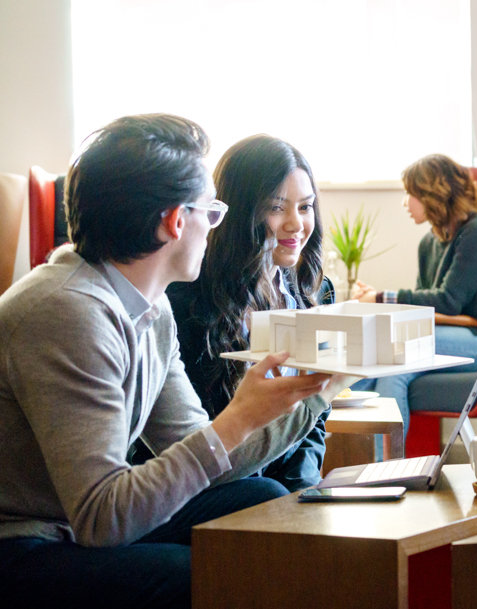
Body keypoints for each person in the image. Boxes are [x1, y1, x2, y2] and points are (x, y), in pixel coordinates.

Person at [0, 114, 351, 609]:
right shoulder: (67, 311)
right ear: (174, 219)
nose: (216, 225)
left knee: (263, 501)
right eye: (211, 210)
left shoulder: (152, 305)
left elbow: (199, 456)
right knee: (195, 575)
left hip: (77, 525)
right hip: (24, 541)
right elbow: (102, 517)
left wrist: (315, 394)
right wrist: (237, 421)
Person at [167, 134, 334, 491]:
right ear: (242, 211)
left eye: (305, 207)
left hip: (281, 482)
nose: (296, 223)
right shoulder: (188, 302)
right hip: (213, 482)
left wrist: (302, 487)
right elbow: (194, 436)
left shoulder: (315, 292)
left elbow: (314, 419)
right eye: (276, 208)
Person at [352, 154, 477, 436]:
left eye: (410, 193)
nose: (405, 203)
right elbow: (424, 307)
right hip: (462, 336)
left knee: (394, 359)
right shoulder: (429, 243)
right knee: (357, 373)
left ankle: (385, 472)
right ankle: (361, 466)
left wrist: (380, 297)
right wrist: (377, 301)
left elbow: (448, 300)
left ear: (433, 194)